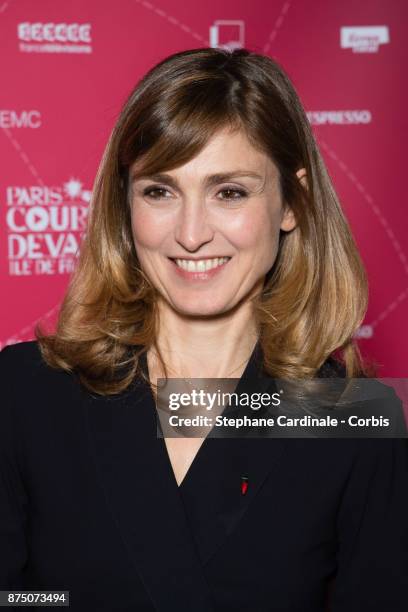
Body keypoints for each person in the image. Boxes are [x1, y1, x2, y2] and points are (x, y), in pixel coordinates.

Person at [1, 47, 407, 612]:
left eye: (230, 192)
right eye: (159, 191)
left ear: (294, 201)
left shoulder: (353, 424)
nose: (191, 234)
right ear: (126, 203)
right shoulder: (25, 395)